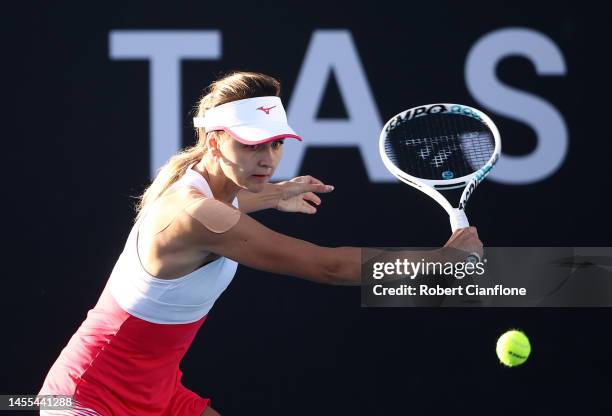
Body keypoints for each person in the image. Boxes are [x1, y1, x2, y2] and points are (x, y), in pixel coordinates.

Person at [38, 71, 482, 415]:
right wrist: (438, 264)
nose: (267, 159)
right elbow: (325, 266)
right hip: (88, 395)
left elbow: (228, 201)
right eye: (252, 146)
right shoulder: (197, 214)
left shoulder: (203, 190)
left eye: (275, 144)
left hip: (156, 390)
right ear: (214, 142)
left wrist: (274, 194)